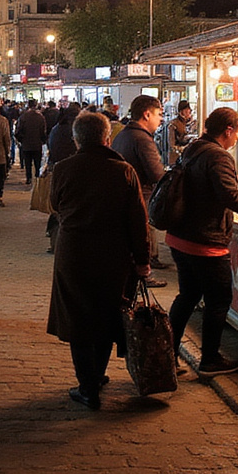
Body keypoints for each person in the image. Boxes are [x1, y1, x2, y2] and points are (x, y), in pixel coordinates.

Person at [47, 112, 151, 409]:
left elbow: (55, 205)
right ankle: (97, 374)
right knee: (107, 314)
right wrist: (142, 260)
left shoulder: (63, 169)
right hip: (113, 255)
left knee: (77, 318)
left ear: (76, 140)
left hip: (73, 253)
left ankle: (87, 385)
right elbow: (138, 221)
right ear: (107, 138)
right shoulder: (124, 171)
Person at [165, 107, 238, 377]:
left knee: (187, 296)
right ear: (227, 130)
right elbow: (230, 195)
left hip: (180, 236)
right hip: (204, 241)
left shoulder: (194, 148)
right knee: (218, 300)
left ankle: (167, 356)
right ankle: (210, 360)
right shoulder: (218, 156)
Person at [111, 94, 167, 280]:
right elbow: (157, 174)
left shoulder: (123, 135)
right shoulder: (142, 139)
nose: (161, 119)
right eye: (159, 114)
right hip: (141, 196)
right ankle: (145, 274)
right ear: (147, 115)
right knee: (143, 234)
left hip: (124, 196)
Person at [45, 104, 79, 253]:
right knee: (67, 211)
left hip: (56, 170)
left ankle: (55, 242)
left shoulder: (56, 128)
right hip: (71, 173)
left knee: (58, 209)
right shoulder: (73, 131)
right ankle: (62, 244)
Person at [15, 99, 48, 185]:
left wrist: (21, 140)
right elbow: (43, 131)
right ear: (36, 105)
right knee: (37, 163)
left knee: (28, 163)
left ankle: (28, 178)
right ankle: (37, 177)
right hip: (37, 144)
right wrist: (43, 141)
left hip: (26, 144)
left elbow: (18, 131)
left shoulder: (23, 117)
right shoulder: (40, 117)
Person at [167, 100, 193, 164]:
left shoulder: (191, 123)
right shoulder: (173, 124)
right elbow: (172, 146)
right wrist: (184, 148)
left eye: (189, 110)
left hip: (187, 157)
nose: (189, 112)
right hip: (176, 159)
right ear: (181, 112)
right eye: (186, 110)